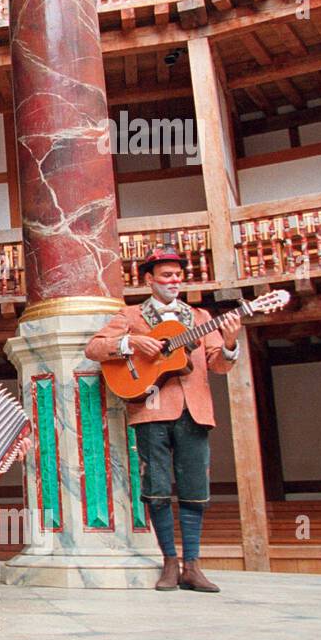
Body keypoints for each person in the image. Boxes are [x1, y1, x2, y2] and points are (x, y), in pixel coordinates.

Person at [84, 246, 241, 593]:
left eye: (178, 275)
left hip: (195, 409)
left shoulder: (200, 317)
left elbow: (218, 363)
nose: (174, 281)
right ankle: (169, 561)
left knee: (195, 488)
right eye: (166, 275)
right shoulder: (132, 314)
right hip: (150, 407)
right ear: (149, 280)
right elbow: (94, 348)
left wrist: (229, 341)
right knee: (155, 487)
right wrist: (132, 342)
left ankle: (193, 565)